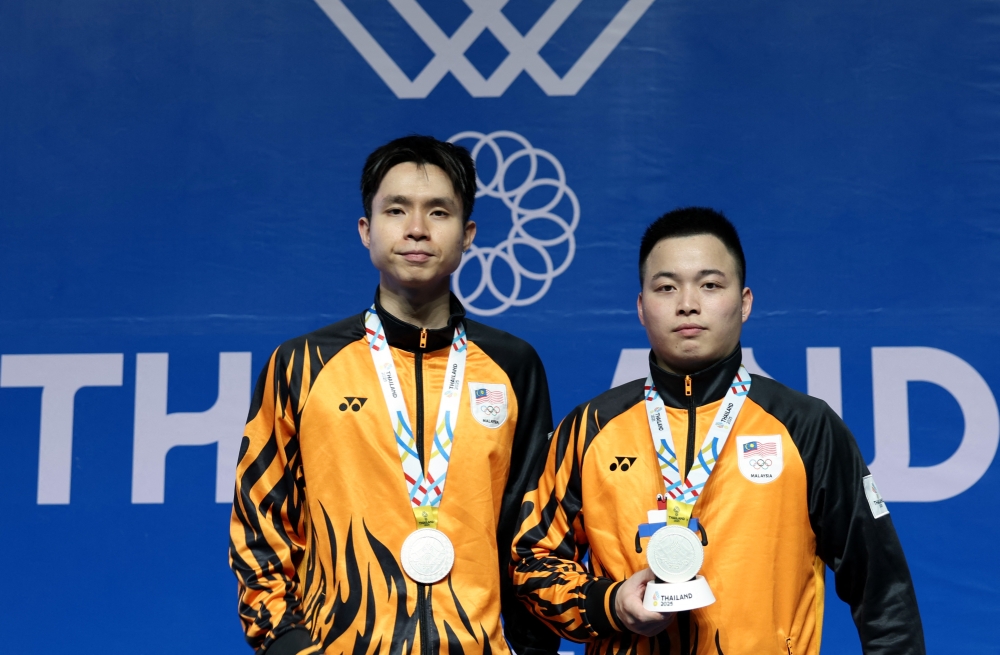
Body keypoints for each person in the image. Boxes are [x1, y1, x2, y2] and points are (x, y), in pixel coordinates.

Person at [511, 207, 924, 654]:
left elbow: (882, 592)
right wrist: (608, 604)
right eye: (666, 287)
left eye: (710, 285)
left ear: (744, 302)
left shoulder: (807, 427)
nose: (687, 303)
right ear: (641, 307)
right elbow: (533, 560)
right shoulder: (591, 427)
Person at [230, 135, 559, 655]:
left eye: (439, 212)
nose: (416, 229)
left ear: (468, 233)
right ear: (366, 230)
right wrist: (288, 646)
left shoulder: (513, 366)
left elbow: (533, 530)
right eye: (396, 210)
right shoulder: (300, 365)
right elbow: (259, 525)